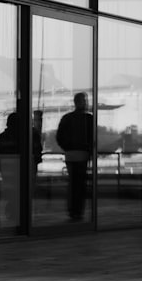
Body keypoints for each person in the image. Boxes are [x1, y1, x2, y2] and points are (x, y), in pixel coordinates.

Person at [55, 92, 93, 222]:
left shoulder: (67, 118)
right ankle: (78, 211)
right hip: (82, 155)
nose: (86, 102)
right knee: (80, 185)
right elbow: (92, 138)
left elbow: (59, 137)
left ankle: (73, 211)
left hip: (71, 155)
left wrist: (68, 147)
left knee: (73, 184)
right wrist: (88, 150)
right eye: (85, 100)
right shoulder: (88, 119)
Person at [0, 113, 21, 221]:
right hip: (20, 169)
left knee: (11, 190)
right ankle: (17, 211)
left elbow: (0, 153)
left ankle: (12, 211)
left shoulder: (4, 136)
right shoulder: (26, 134)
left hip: (7, 169)